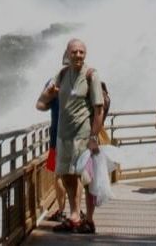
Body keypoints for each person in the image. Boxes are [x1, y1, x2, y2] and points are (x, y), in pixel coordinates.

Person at [51, 39, 106, 234]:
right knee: (67, 176)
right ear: (67, 53)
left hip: (83, 137)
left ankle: (89, 220)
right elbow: (44, 100)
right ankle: (74, 216)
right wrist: (48, 95)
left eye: (82, 52)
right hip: (63, 136)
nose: (78, 55)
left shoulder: (91, 75)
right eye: (74, 52)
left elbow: (99, 109)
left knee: (87, 178)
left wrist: (93, 136)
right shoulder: (62, 73)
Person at [35, 50, 74, 222]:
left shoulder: (53, 82)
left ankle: (62, 210)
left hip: (56, 136)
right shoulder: (81, 81)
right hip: (77, 136)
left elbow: (40, 106)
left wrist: (52, 102)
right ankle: (76, 211)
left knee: (59, 174)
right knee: (76, 174)